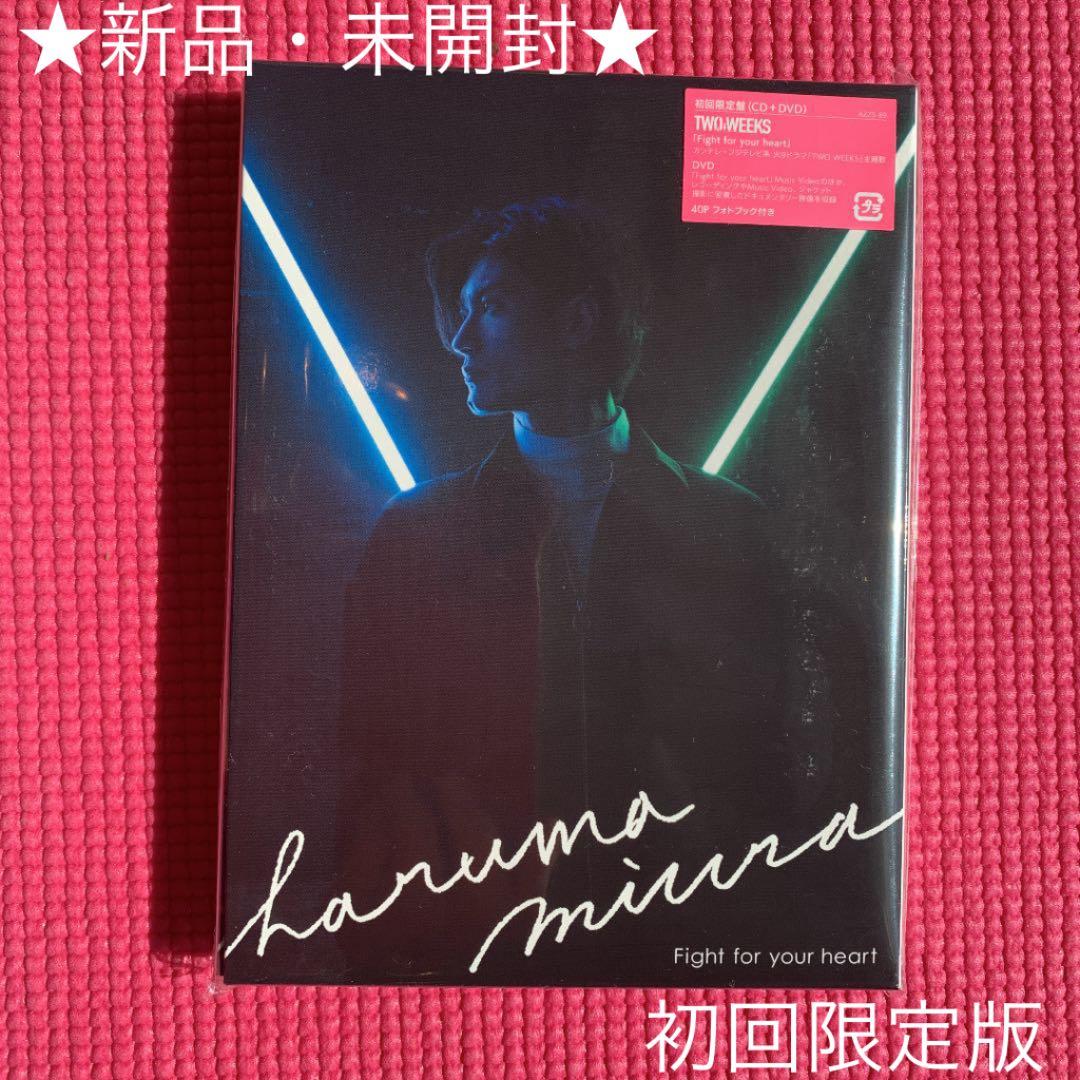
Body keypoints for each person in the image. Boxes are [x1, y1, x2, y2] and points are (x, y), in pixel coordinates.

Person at [334, 198, 822, 981]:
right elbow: (372, 758)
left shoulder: (731, 527)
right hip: (478, 941)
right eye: (463, 310)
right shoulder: (415, 535)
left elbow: (769, 765)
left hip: (680, 940)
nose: (460, 340)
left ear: (577, 320)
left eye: (493, 306)